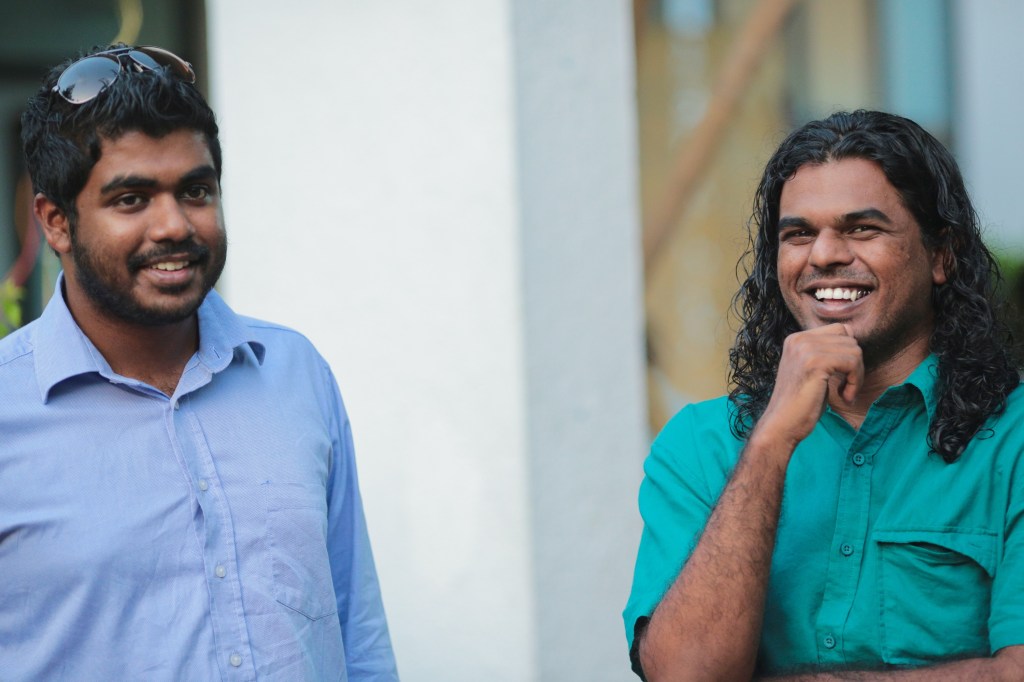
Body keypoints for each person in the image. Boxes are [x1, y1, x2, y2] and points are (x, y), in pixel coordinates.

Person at [1, 44, 398, 680]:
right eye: (131, 199)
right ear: (56, 222)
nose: (174, 225)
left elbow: (359, 635)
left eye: (195, 190)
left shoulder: (294, 374)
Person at [624, 110, 1024, 680]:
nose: (823, 255)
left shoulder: (1014, 440)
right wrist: (770, 444)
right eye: (798, 234)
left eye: (862, 228)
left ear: (942, 256)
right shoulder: (701, 445)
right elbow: (685, 674)